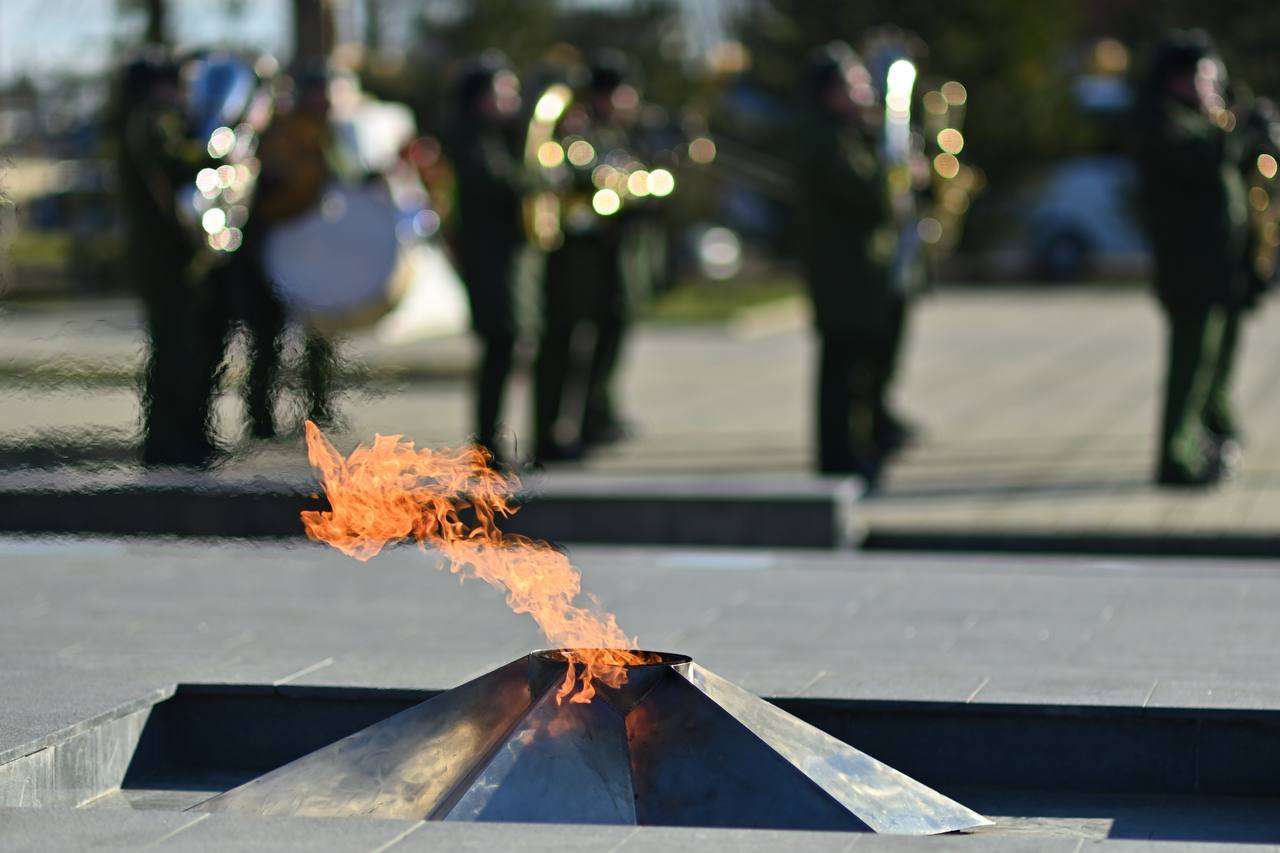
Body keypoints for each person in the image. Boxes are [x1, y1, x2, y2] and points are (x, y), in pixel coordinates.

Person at [1135, 32, 1249, 487]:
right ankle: (1174, 457)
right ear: (1178, 80)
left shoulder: (1197, 120)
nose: (1213, 86)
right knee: (1189, 367)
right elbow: (1201, 162)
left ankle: (1208, 434)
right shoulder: (1164, 122)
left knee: (1211, 364)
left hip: (1218, 265)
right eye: (1206, 77)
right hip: (1190, 267)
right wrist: (1238, 130)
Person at [792, 43, 899, 486]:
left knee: (854, 366)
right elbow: (870, 194)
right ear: (832, 91)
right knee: (842, 369)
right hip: (843, 274)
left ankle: (852, 448)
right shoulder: (827, 138)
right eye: (855, 83)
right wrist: (893, 164)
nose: (864, 92)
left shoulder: (846, 134)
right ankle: (839, 457)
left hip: (856, 272)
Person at [533, 52, 639, 463]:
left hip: (600, 258)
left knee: (591, 344)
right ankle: (549, 434)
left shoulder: (612, 133)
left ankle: (586, 421)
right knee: (561, 348)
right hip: (571, 261)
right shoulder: (569, 135)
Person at [113, 51, 215, 467]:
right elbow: (176, 162)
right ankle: (171, 445)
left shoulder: (140, 117)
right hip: (168, 254)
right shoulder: (154, 118)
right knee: (176, 352)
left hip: (165, 253)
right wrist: (216, 153)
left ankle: (176, 440)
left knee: (176, 350)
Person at [227, 67, 339, 438]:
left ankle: (319, 407)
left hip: (314, 245)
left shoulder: (329, 134)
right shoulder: (278, 132)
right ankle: (260, 416)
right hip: (272, 240)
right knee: (267, 331)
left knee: (320, 333)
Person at [446, 55, 525, 464]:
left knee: (505, 343)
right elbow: (496, 187)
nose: (513, 100)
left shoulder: (497, 137)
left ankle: (488, 441)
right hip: (486, 254)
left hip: (500, 253)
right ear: (481, 98)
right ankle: (485, 445)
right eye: (504, 92)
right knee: (500, 340)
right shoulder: (471, 139)